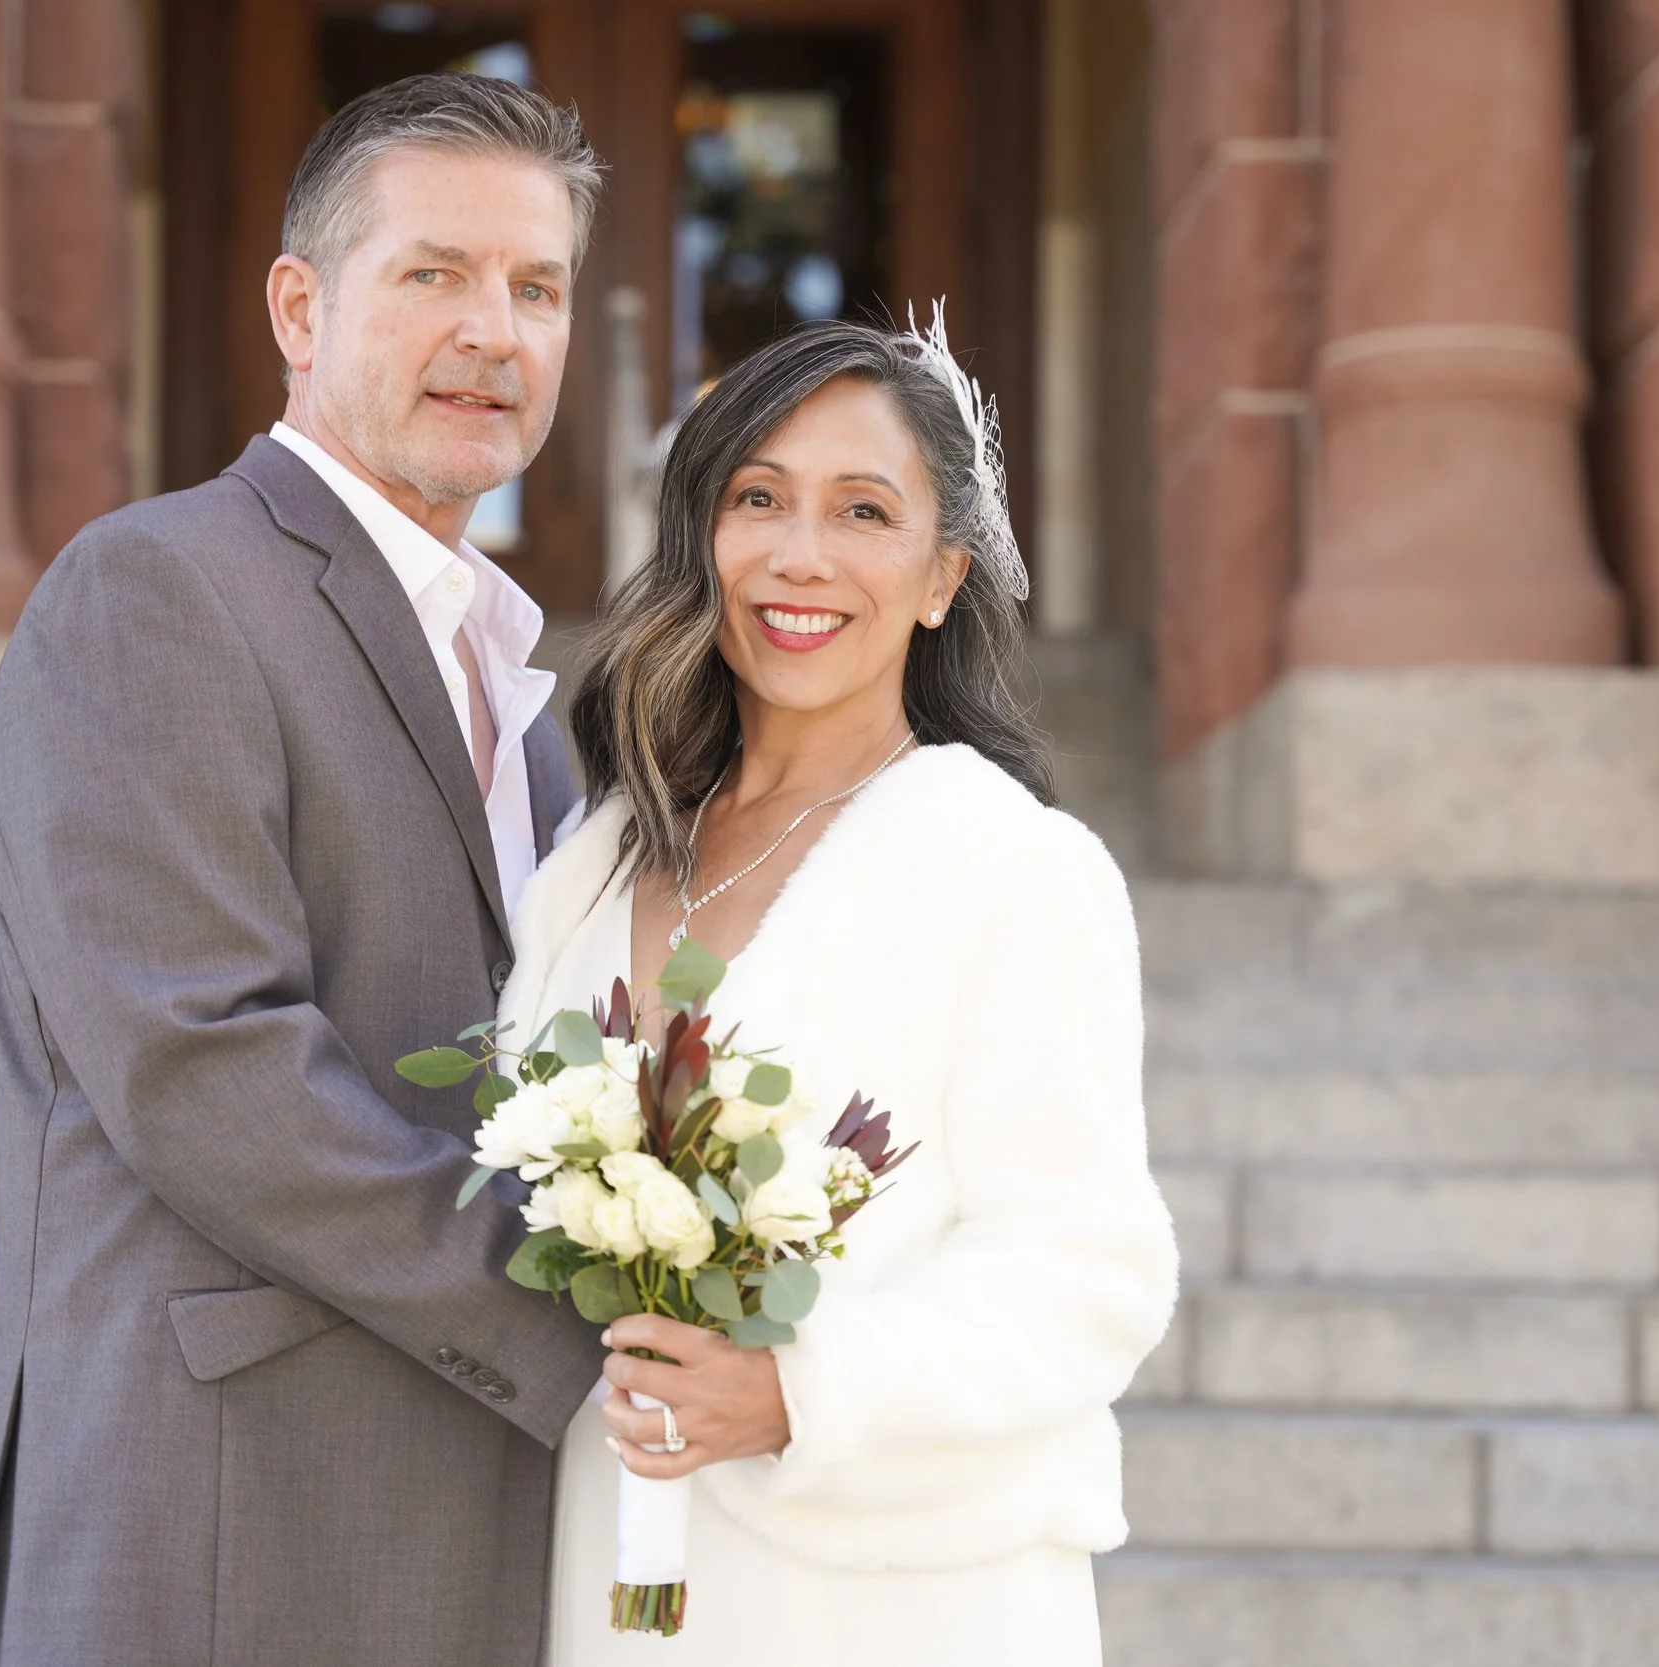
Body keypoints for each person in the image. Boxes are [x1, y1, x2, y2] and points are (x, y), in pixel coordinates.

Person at [0, 74, 609, 1667]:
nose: (495, 332)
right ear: (299, 309)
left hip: (465, 1527)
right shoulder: (157, 589)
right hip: (224, 1536)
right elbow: (202, 1059)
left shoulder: (528, 697)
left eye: (538, 287)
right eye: (433, 273)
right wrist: (580, 1311)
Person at [499, 312, 1180, 1663]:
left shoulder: (1012, 868)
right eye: (759, 498)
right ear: (704, 536)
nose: (799, 555)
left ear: (941, 578)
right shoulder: (598, 856)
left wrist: (799, 1387)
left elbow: (1085, 1268)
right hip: (610, 1569)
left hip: (884, 1601)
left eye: (863, 510)